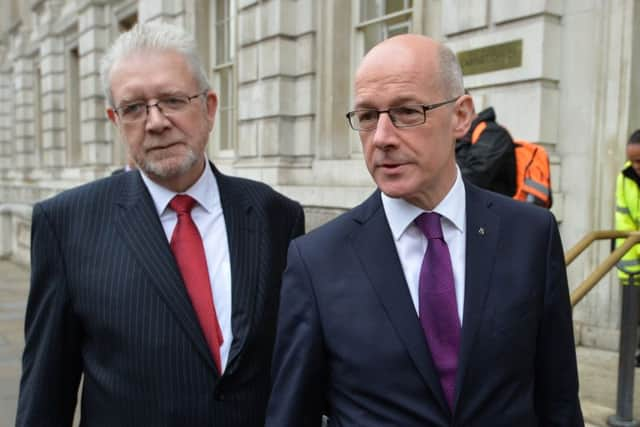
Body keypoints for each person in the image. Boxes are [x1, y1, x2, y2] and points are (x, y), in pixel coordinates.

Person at [266, 34, 583, 426]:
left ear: (461, 116)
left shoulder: (531, 235)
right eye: (367, 116)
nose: (382, 137)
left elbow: (559, 402)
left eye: (407, 111)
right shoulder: (316, 261)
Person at [16, 23, 304, 427]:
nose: (155, 122)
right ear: (115, 119)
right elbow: (46, 394)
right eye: (134, 108)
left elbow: (294, 370)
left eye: (172, 100)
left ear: (209, 107)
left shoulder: (277, 215)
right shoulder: (65, 224)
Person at [614, 129, 640, 366]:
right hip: (633, 258)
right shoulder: (625, 176)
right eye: (632, 160)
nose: (636, 165)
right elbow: (623, 220)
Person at [455, 101, 516, 197]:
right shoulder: (463, 137)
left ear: (464, 111)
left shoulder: (493, 133)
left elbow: (474, 177)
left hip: (493, 208)